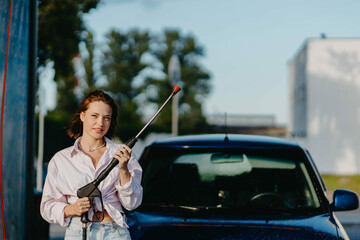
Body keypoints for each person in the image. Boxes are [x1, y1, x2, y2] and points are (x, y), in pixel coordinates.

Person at [40, 90, 143, 239]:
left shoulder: (123, 155)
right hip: (78, 232)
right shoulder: (61, 159)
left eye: (106, 118)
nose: (100, 123)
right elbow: (47, 207)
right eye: (94, 116)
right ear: (82, 116)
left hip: (115, 233)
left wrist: (124, 170)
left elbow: (132, 204)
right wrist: (71, 209)